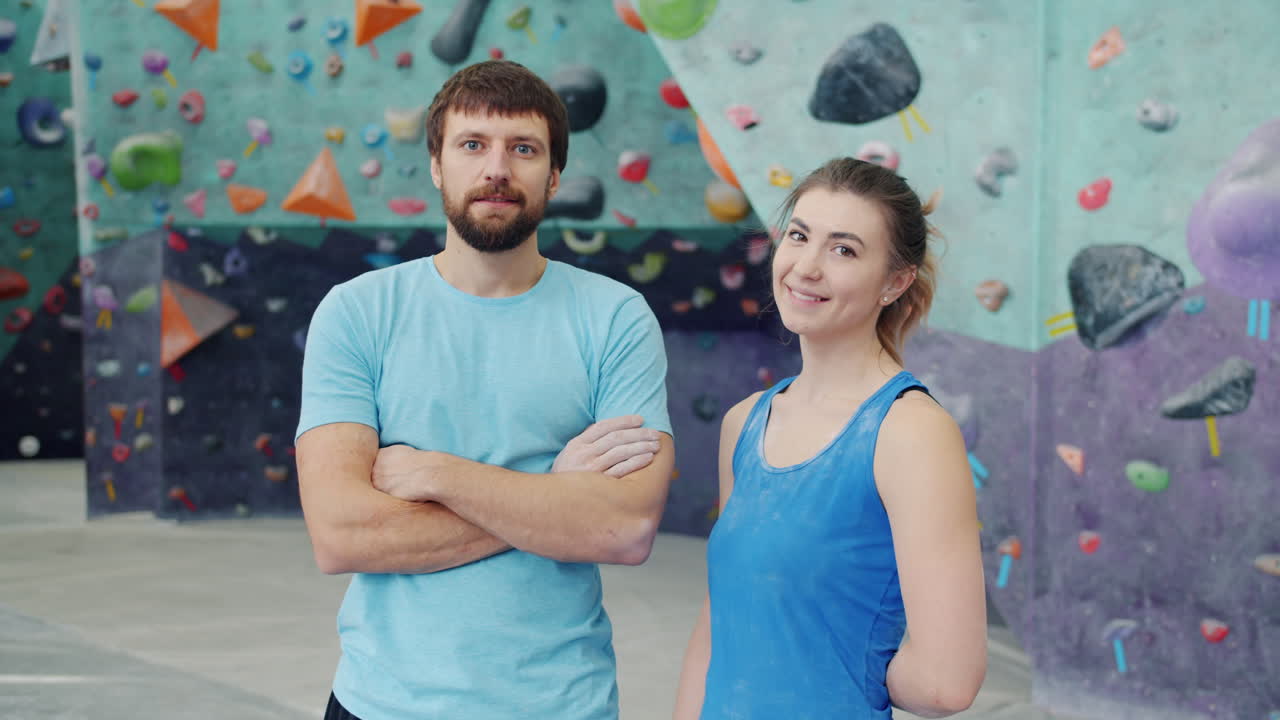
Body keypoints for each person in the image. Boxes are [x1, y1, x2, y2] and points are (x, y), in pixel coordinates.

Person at [295, 60, 675, 720]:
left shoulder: (615, 318)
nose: (497, 169)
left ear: (554, 176)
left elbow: (623, 527)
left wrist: (436, 473)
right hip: (382, 703)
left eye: (523, 149)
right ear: (438, 165)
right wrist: (554, 494)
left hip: (561, 705)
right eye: (473, 145)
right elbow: (341, 534)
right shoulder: (356, 312)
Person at [673, 158, 987, 719]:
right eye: (798, 236)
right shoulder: (744, 423)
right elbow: (718, 622)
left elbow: (947, 683)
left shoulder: (910, 432)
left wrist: (842, 662)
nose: (806, 267)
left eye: (844, 249)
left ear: (895, 281)